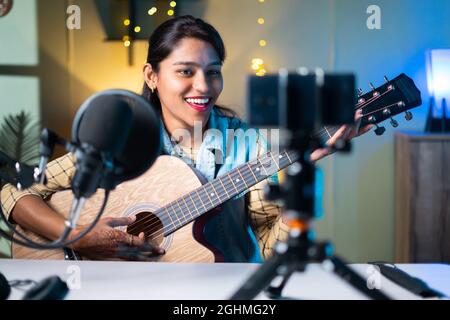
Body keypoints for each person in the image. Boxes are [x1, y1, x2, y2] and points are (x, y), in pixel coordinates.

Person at [1, 15, 371, 262]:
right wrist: (77, 236)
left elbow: (270, 249)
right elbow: (12, 194)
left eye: (213, 72)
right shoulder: (121, 141)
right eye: (185, 71)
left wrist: (298, 169)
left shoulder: (252, 146)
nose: (203, 86)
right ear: (151, 75)